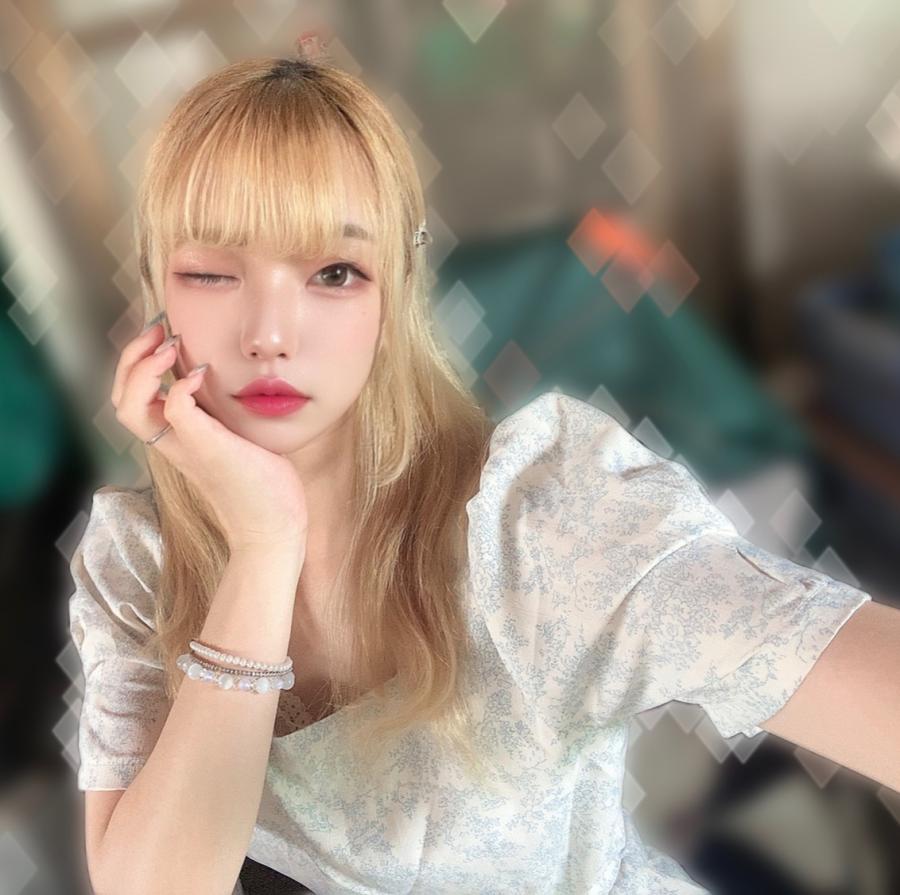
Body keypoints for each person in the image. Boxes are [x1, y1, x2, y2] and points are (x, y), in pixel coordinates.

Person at [68, 53, 883, 895]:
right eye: (212, 271)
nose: (269, 332)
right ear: (156, 291)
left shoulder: (537, 511)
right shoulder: (138, 557)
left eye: (335, 273)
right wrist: (264, 546)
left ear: (394, 292)